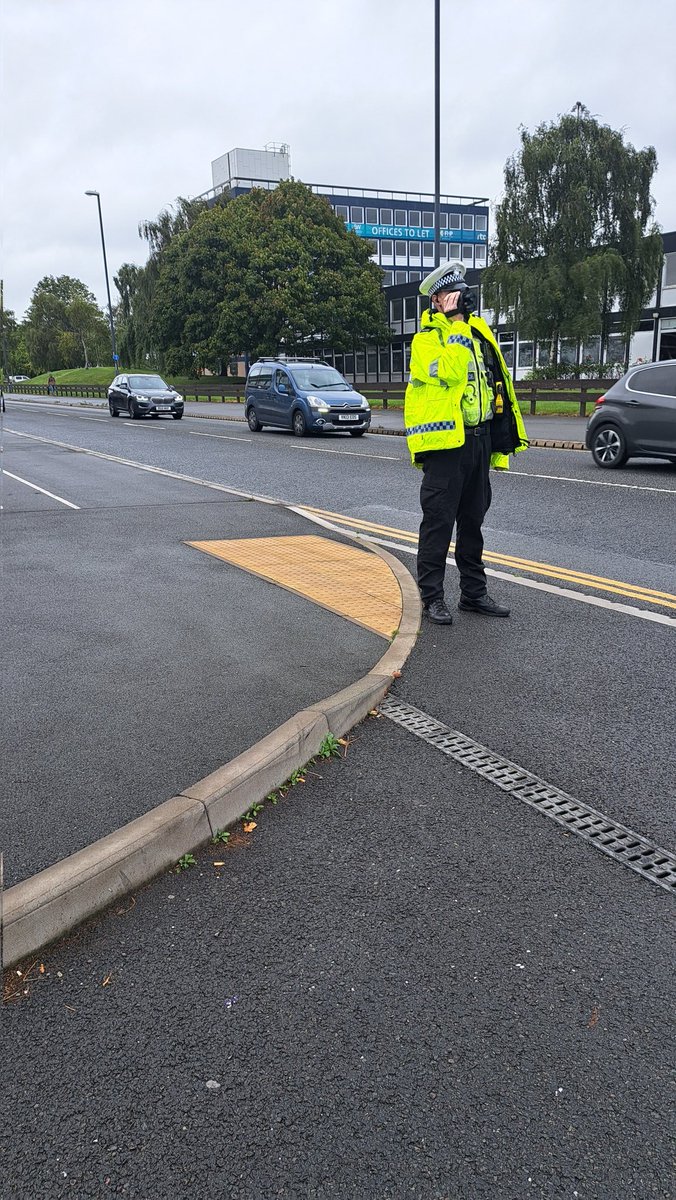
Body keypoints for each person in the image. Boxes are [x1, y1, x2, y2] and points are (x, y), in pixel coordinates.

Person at [404, 262, 528, 625]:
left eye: (461, 293)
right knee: (438, 525)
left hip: (479, 441)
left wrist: (500, 438)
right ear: (438, 300)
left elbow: (497, 381)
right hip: (446, 447)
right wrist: (456, 325)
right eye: (451, 295)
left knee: (473, 524)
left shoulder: (477, 334)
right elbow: (453, 372)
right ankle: (432, 598)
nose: (460, 300)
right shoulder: (427, 341)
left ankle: (473, 594)